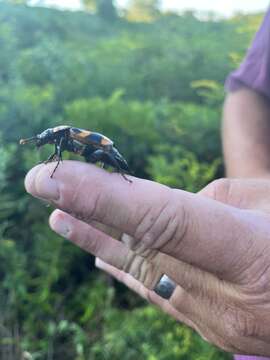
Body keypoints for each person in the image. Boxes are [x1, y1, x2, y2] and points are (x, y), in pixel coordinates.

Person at [24, 8, 270, 359]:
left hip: (106, 150)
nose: (51, 141)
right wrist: (259, 192)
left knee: (102, 158)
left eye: (49, 140)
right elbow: (249, 90)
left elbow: (92, 148)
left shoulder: (69, 138)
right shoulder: (65, 138)